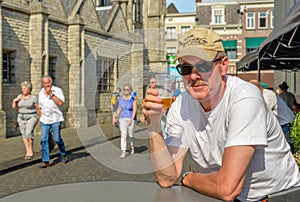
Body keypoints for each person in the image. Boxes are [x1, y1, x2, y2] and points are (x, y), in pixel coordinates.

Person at [142, 27, 300, 201]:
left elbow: (227, 188)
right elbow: (166, 178)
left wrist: (188, 178)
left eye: (203, 65)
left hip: (274, 197)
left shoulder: (245, 98)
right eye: (186, 68)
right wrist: (154, 125)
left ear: (223, 65)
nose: (194, 76)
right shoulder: (181, 105)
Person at [250, 79, 296, 154]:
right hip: (283, 124)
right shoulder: (290, 95)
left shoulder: (269, 95)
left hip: (286, 124)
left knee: (288, 150)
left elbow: (263, 112)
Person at [38, 75, 68, 168]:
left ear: (51, 82)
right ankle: (46, 161)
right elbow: (40, 107)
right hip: (44, 119)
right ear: (42, 84)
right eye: (45, 83)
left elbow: (60, 103)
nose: (47, 85)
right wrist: (40, 118)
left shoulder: (57, 90)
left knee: (57, 139)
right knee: (44, 139)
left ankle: (63, 154)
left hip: (56, 118)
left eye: (48, 82)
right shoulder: (41, 93)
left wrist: (51, 94)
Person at [12, 81, 39, 160]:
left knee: (28, 133)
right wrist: (15, 101)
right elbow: (15, 107)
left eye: (24, 88)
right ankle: (27, 150)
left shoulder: (33, 97)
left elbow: (38, 108)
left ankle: (30, 150)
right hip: (21, 117)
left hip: (31, 116)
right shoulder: (19, 96)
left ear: (29, 89)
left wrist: (40, 118)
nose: (22, 90)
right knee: (24, 135)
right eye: (22, 88)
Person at [113, 84, 137, 159]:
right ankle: (123, 151)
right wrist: (116, 117)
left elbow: (135, 110)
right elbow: (119, 108)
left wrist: (131, 119)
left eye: (127, 89)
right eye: (124, 89)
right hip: (122, 118)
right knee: (123, 134)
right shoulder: (120, 99)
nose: (125, 91)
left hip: (130, 117)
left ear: (130, 90)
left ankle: (132, 146)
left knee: (131, 135)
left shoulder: (133, 99)